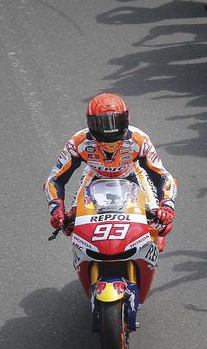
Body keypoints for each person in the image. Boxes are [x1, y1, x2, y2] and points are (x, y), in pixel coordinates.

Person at [44, 93, 177, 245]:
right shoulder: (78, 142)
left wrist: (166, 205)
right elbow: (54, 179)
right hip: (94, 177)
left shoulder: (139, 140)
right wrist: (57, 210)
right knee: (70, 227)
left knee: (160, 226)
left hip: (132, 174)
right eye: (102, 123)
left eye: (116, 121)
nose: (110, 128)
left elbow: (163, 177)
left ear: (126, 119)